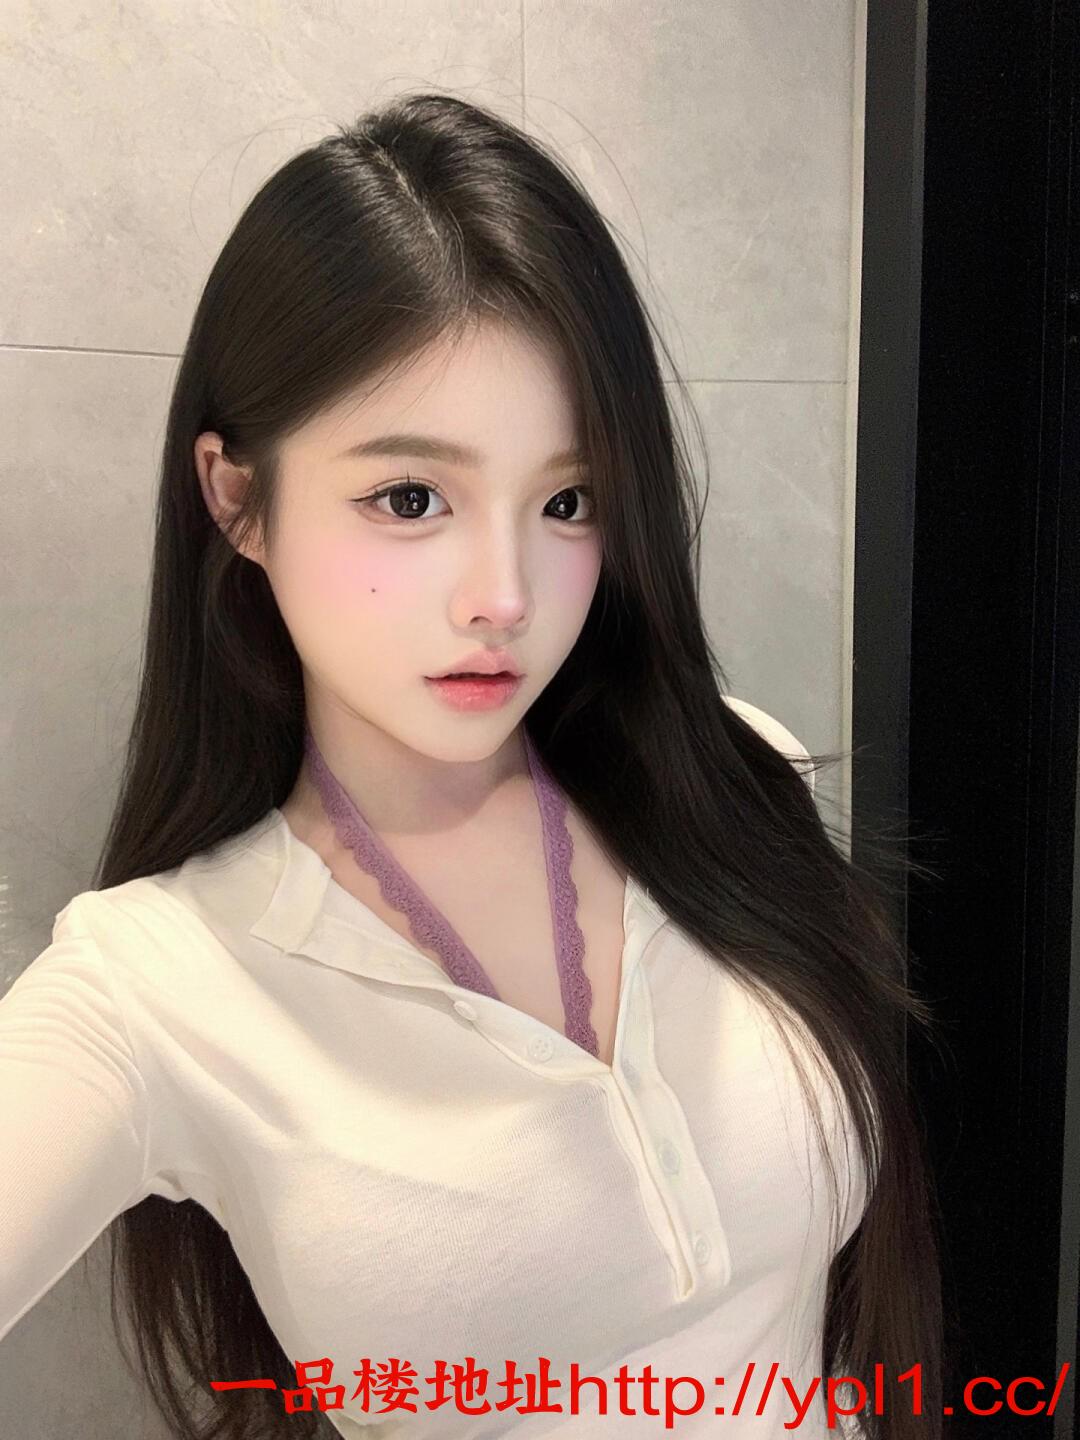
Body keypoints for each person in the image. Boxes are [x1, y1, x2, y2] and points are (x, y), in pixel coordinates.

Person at [0, 93, 944, 1440]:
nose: (503, 595)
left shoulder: (735, 777)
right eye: (411, 498)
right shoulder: (156, 985)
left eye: (566, 501)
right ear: (237, 497)